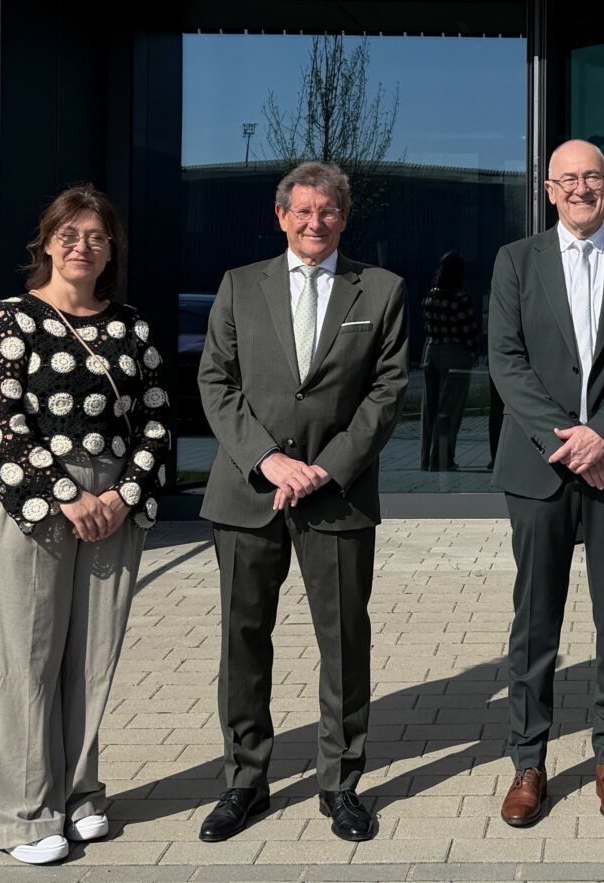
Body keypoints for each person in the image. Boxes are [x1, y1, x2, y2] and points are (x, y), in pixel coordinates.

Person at [195, 161, 408, 844]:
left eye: (329, 211)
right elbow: (215, 381)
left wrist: (325, 467)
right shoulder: (238, 285)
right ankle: (245, 781)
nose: (315, 222)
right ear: (281, 214)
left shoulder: (380, 288)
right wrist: (269, 458)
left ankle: (339, 783)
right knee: (242, 642)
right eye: (303, 210)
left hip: (336, 495)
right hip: (247, 491)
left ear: (344, 218)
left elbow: (387, 392)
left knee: (343, 641)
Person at [0, 183, 172, 865]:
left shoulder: (130, 327)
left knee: (91, 657)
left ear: (110, 248)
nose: (82, 246)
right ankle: (23, 810)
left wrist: (121, 492)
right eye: (70, 234)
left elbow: (155, 420)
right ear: (46, 241)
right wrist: (65, 492)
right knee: (23, 660)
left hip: (114, 502)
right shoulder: (11, 320)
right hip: (35, 505)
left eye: (95, 236)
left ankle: (79, 790)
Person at [488, 139, 604, 827]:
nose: (579, 187)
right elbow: (506, 362)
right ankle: (528, 759)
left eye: (591, 176)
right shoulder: (516, 261)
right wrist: (568, 442)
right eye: (567, 178)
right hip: (540, 469)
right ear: (547, 188)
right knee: (535, 618)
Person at [420, 251, 481, 471]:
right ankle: (443, 458)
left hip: (431, 351)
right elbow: (468, 329)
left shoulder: (430, 295)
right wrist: (474, 351)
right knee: (449, 410)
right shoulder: (459, 298)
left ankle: (427, 459)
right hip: (455, 353)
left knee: (430, 408)